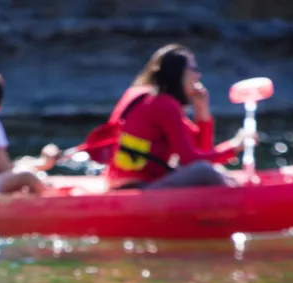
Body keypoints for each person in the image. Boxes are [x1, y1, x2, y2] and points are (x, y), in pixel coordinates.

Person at [101, 44, 255, 190]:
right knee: (204, 172)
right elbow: (191, 160)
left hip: (127, 184)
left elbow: (201, 150)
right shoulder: (163, 105)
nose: (198, 75)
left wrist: (202, 110)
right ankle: (244, 201)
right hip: (136, 189)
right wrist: (234, 147)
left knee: (210, 169)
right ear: (178, 73)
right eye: (193, 69)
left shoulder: (144, 96)